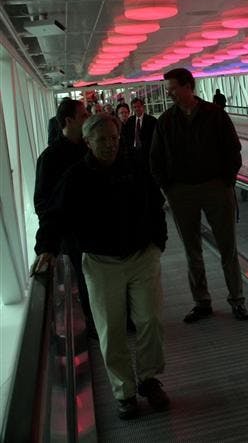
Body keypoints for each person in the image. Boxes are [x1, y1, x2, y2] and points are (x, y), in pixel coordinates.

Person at [33, 113, 170, 420]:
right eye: (102, 140)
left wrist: (157, 243)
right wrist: (46, 249)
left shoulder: (134, 166)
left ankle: (149, 378)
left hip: (141, 256)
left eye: (114, 138)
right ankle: (125, 391)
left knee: (150, 320)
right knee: (111, 329)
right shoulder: (77, 177)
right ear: (88, 142)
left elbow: (155, 203)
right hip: (100, 262)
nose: (110, 145)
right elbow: (54, 215)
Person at [150, 68, 248, 322]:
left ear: (188, 86)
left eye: (172, 88)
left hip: (216, 187)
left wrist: (227, 182)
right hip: (182, 191)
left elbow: (233, 150)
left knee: (228, 246)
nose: (169, 93)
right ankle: (202, 301)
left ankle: (237, 299)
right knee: (191, 249)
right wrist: (169, 189)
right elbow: (156, 159)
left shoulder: (214, 115)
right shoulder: (166, 121)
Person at [34, 98, 94, 333]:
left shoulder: (89, 148)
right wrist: (49, 242)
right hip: (73, 234)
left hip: (96, 227)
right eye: (83, 116)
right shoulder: (50, 158)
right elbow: (43, 202)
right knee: (85, 277)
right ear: (68, 121)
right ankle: (94, 324)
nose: (88, 118)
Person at [121, 97, 157, 172]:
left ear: (143, 107)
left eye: (139, 106)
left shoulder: (152, 120)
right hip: (133, 153)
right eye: (134, 107)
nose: (137, 109)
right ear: (132, 109)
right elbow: (128, 137)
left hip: (147, 153)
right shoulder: (130, 121)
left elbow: (154, 138)